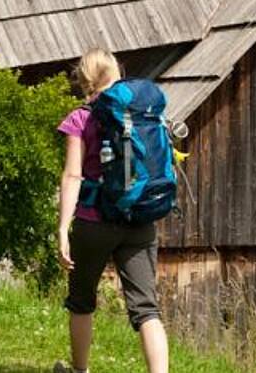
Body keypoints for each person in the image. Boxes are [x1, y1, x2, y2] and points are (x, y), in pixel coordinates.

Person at [53, 49, 170, 373]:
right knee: (147, 309)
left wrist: (63, 226)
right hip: (139, 217)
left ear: (83, 79)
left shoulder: (81, 118)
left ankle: (79, 370)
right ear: (116, 72)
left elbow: (73, 175)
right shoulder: (142, 110)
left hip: (94, 222)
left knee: (81, 300)